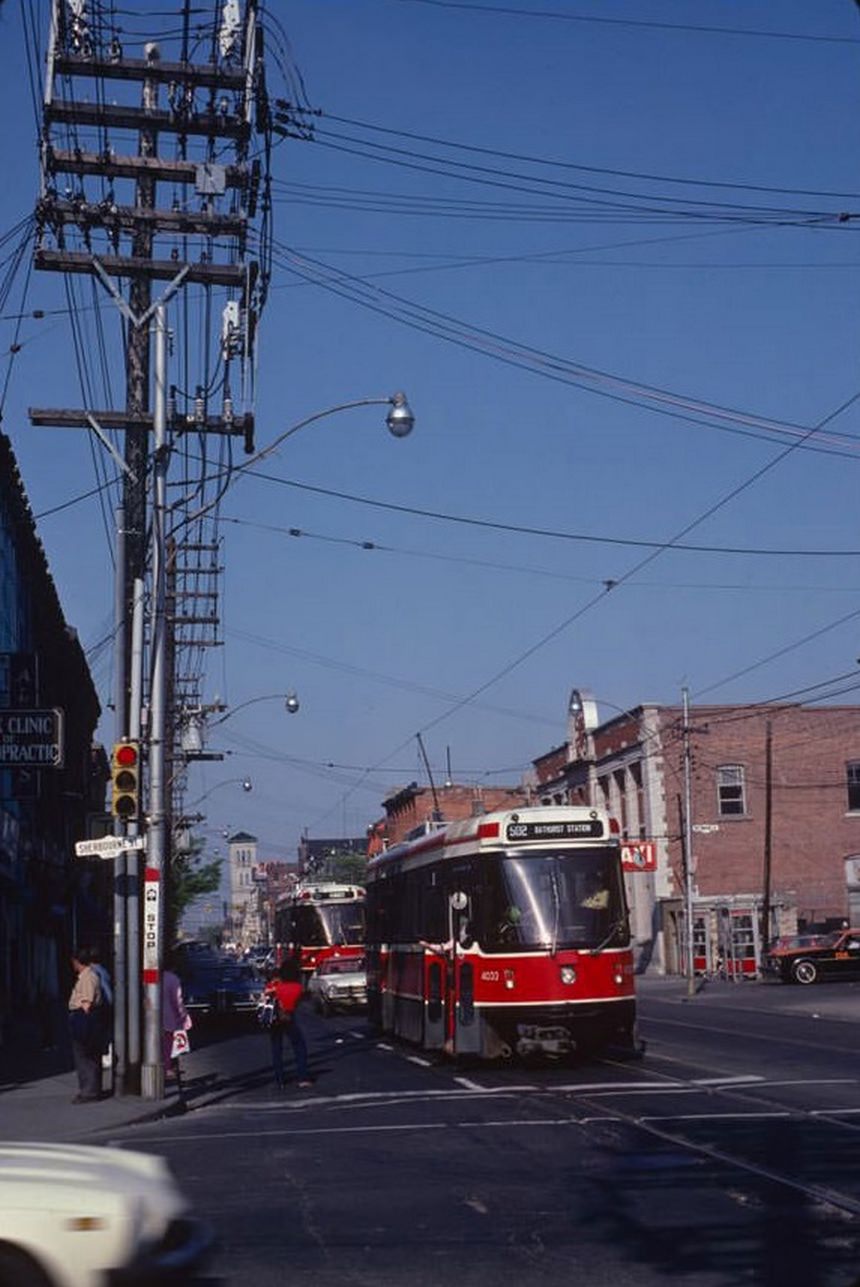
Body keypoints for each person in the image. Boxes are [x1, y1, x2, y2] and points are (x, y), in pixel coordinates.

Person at [264, 960, 312, 1089]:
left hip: (274, 1019)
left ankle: (280, 1080)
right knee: (299, 1046)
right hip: (289, 1017)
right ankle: (302, 1077)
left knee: (276, 1049)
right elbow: (297, 1003)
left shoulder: (274, 986)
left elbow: (266, 996)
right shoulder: (297, 988)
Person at [68, 948, 104, 1103]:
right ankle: (91, 1089)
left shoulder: (87, 977)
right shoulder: (88, 976)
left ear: (77, 961)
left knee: (85, 1056)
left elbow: (87, 1003)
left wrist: (81, 1020)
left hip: (84, 1018)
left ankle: (89, 1092)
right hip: (87, 1018)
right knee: (89, 1056)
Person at [162, 957, 192, 1079]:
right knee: (167, 1043)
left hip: (152, 1015)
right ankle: (166, 1067)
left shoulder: (153, 976)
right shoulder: (173, 979)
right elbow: (177, 1000)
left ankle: (164, 1067)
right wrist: (182, 1015)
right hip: (168, 1015)